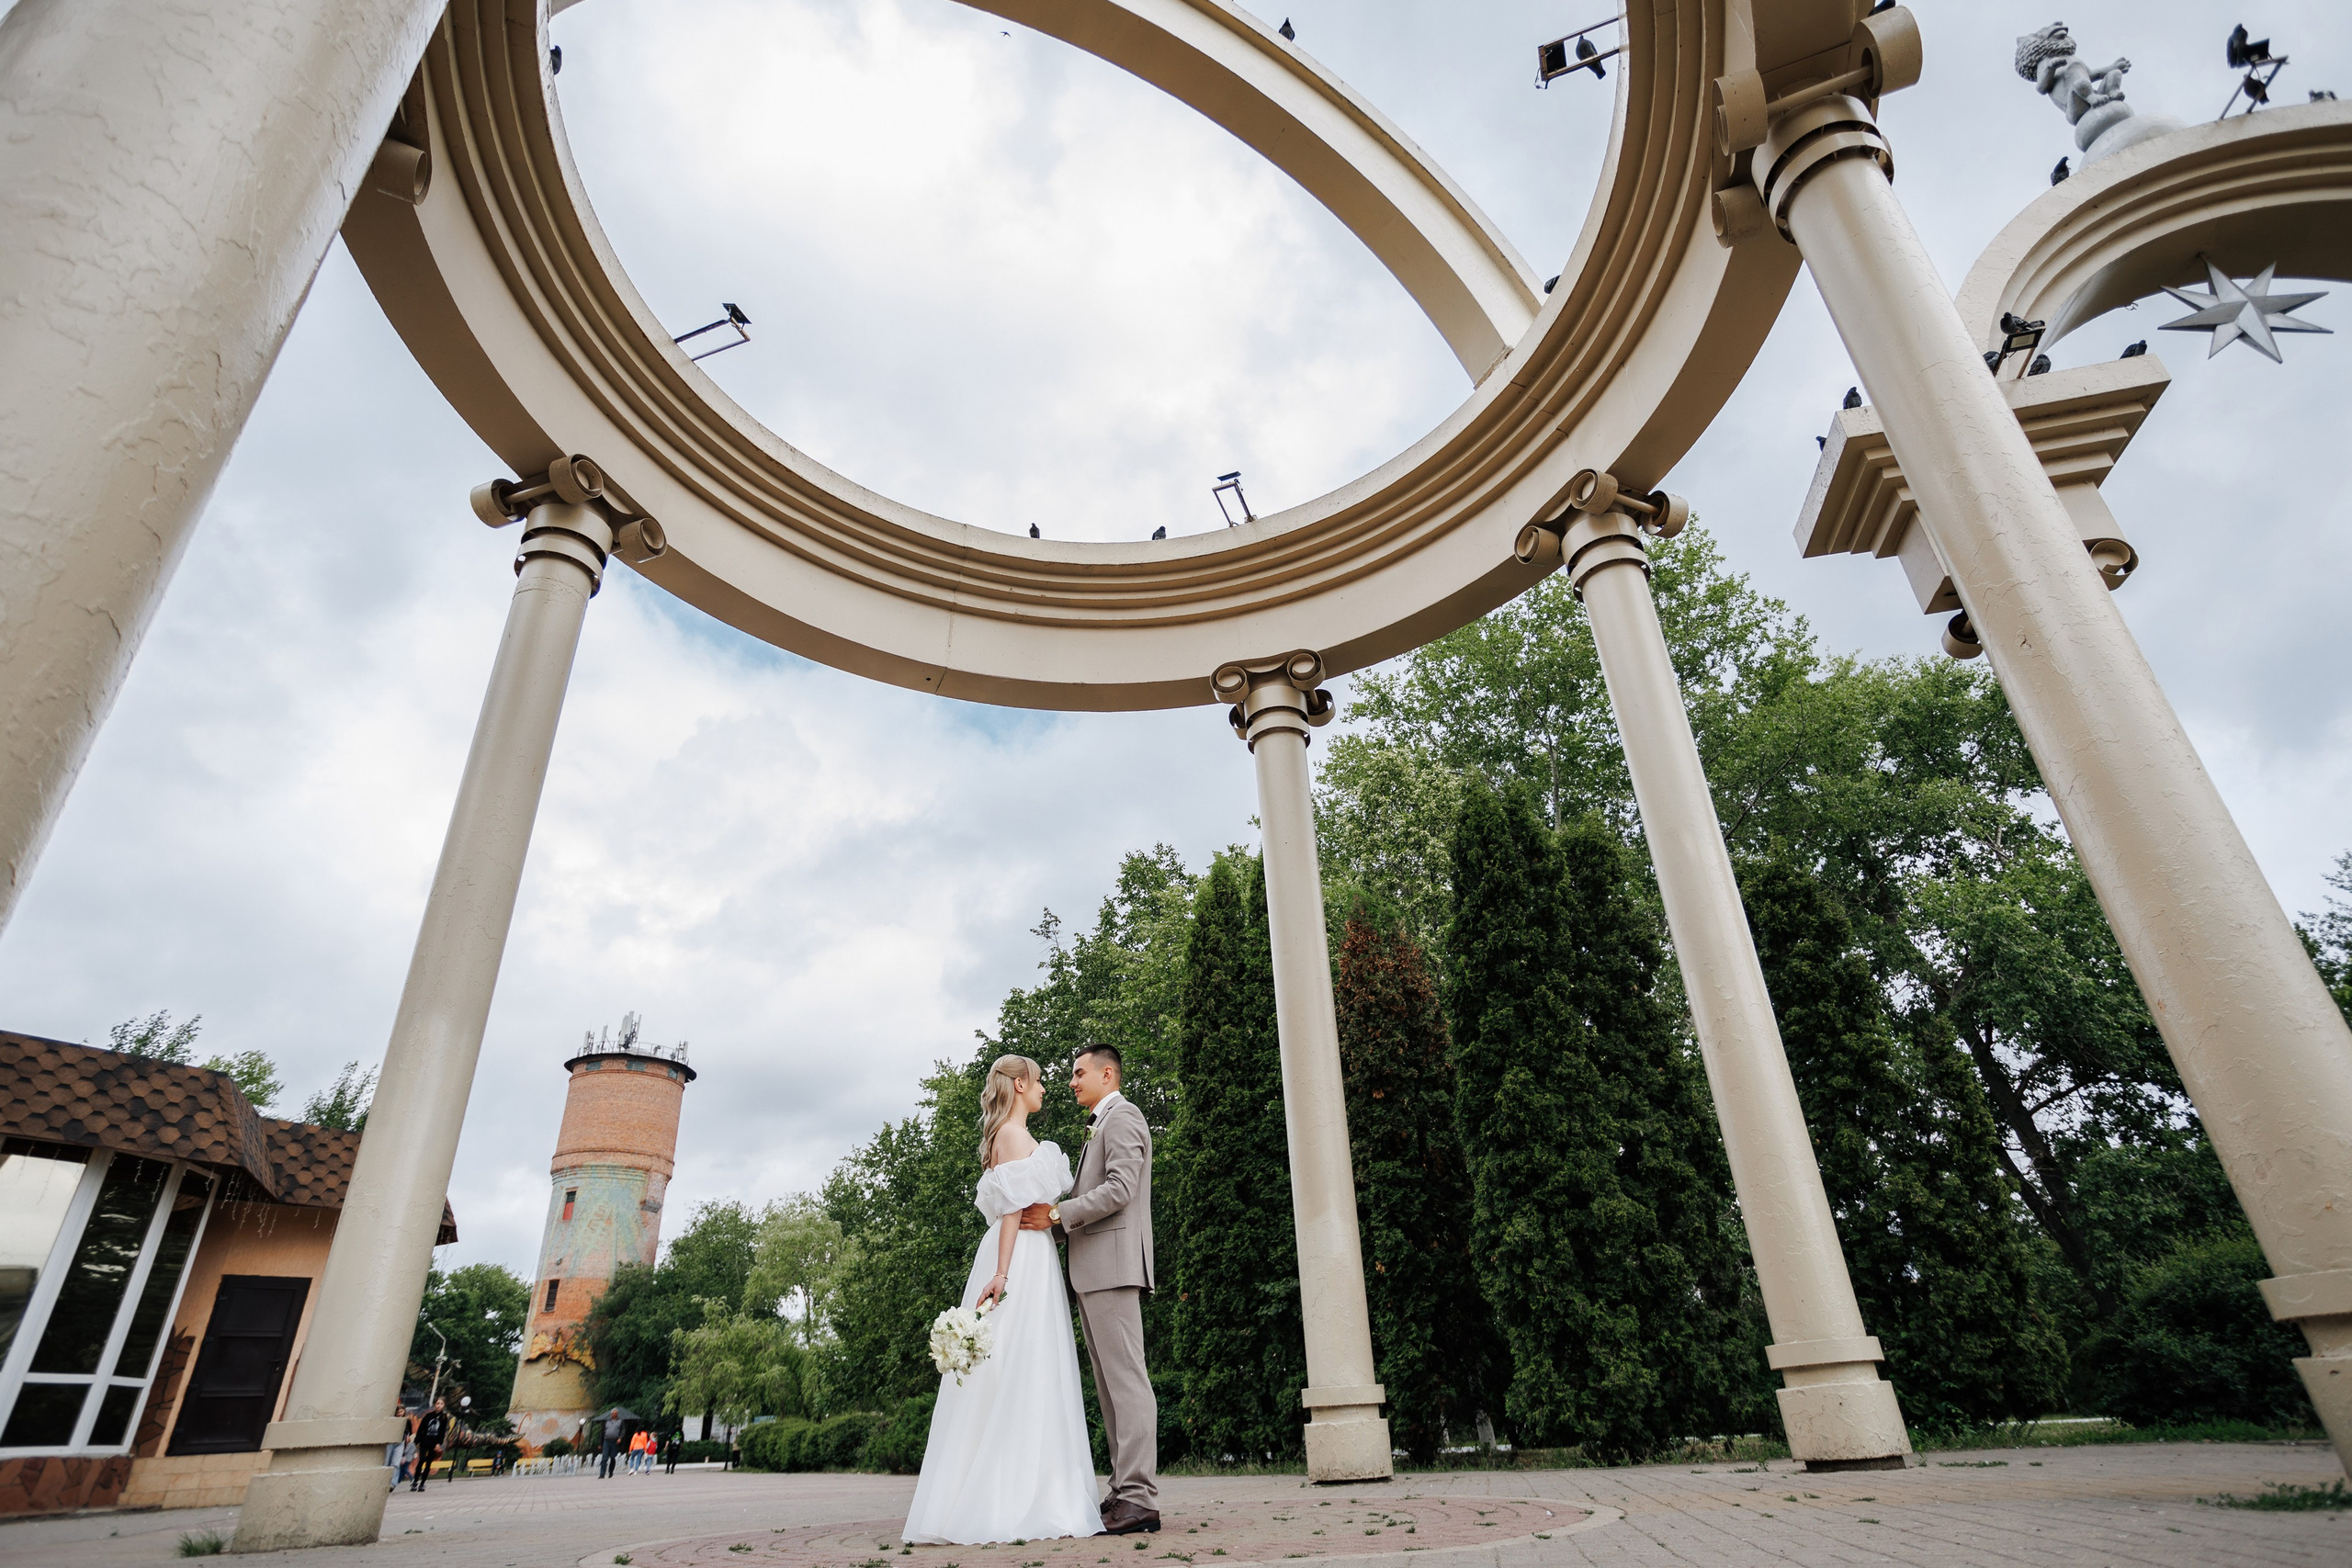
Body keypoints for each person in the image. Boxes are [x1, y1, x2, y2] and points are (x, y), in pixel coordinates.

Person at [901, 1055, 1102, 1546]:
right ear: (1018, 1084)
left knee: (1021, 1364)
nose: (1044, 1090)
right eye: (1037, 1082)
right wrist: (1002, 1273)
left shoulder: (1008, 1136)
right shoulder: (1013, 1136)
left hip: (1028, 1252)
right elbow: (1012, 1210)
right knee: (1022, 1364)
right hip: (1019, 1258)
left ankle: (1019, 1488)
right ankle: (1014, 1497)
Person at [1048, 1044, 1159, 1534]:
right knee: (1110, 1388)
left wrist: (1059, 1214)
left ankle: (1139, 1496)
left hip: (1113, 1269)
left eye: (1078, 1073)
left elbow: (1120, 1189)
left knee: (1128, 1382)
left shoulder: (1123, 1116)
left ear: (1106, 1073)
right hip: (1094, 1272)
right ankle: (1122, 1492)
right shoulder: (1101, 1122)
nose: (1072, 1081)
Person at [412, 1398, 450, 1492]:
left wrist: (439, 1443)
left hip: (434, 1443)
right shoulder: (429, 1416)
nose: (439, 1405)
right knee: (421, 1460)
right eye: (438, 1403)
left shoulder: (444, 1418)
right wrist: (418, 1440)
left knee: (428, 1463)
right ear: (435, 1404)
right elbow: (421, 1428)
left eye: (441, 1404)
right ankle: (415, 1481)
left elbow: (442, 1432)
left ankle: (423, 1483)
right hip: (425, 1441)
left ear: (443, 1405)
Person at [599, 1407, 625, 1479]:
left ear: (617, 1414)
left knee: (613, 1457)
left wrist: (620, 1438)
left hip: (615, 1441)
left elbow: (623, 1431)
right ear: (611, 1414)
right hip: (606, 1441)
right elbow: (602, 1432)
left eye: (615, 1413)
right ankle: (602, 1474)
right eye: (612, 1413)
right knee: (604, 1458)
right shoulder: (607, 1421)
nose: (613, 1414)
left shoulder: (620, 1421)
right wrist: (600, 1443)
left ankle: (611, 1472)